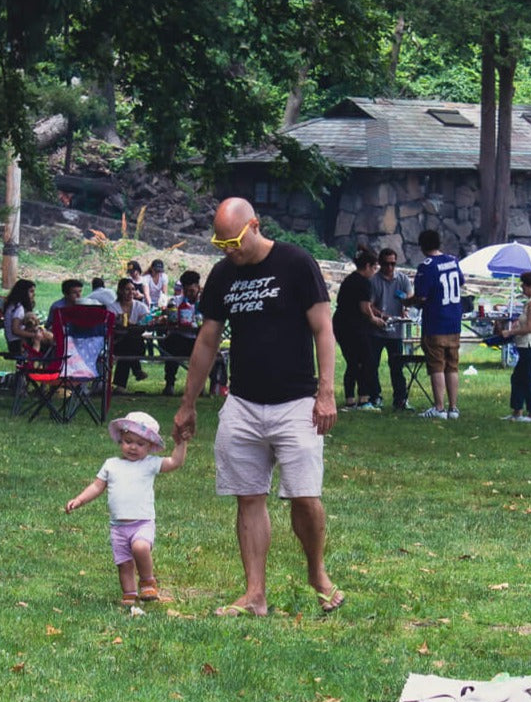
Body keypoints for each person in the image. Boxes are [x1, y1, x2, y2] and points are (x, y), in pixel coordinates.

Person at [173, 197, 344, 617]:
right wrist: (187, 404)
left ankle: (317, 573)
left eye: (233, 241)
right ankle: (254, 595)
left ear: (255, 225)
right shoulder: (223, 275)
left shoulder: (296, 263)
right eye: (220, 243)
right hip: (243, 402)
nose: (229, 250)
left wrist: (326, 391)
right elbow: (207, 341)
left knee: (305, 495)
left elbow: (323, 328)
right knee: (248, 497)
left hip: (297, 401)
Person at [65, 409, 189, 607]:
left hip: (142, 523)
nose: (133, 447)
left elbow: (175, 462)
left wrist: (181, 442)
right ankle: (129, 595)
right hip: (118, 527)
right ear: (121, 440)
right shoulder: (111, 465)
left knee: (140, 547)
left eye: (140, 444)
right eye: (128, 441)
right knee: (124, 564)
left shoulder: (149, 464)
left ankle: (148, 581)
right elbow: (97, 486)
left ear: (150, 447)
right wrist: (79, 500)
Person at [411, 229, 464, 421]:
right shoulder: (453, 260)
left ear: (422, 246)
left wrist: (407, 302)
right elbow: (461, 282)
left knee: (437, 365)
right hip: (454, 321)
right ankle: (453, 408)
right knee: (452, 365)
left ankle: (439, 408)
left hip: (436, 322)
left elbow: (421, 296)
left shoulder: (426, 266)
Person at [333, 249, 387, 411]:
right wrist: (375, 319)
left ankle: (350, 400)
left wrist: (377, 313)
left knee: (352, 362)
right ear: (368, 266)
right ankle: (364, 399)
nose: (375, 271)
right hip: (354, 327)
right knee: (367, 361)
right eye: (374, 267)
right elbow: (364, 308)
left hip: (341, 325)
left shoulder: (349, 280)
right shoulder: (364, 282)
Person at [497, 270, 531, 423]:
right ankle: (517, 411)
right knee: (518, 378)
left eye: (524, 285)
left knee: (528, 378)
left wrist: (511, 332)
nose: (522, 288)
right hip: (528, 345)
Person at [158, 269, 216, 396]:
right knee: (171, 345)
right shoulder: (175, 302)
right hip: (181, 339)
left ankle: (208, 387)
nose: (189, 294)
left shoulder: (207, 302)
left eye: (192, 291)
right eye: (186, 291)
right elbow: (169, 321)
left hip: (200, 339)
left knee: (212, 352)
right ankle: (169, 384)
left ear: (198, 288)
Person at [370, 247, 412, 411]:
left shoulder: (402, 279)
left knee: (397, 366)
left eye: (393, 264)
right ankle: (375, 396)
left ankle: (400, 399)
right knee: (373, 365)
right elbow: (369, 305)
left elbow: (409, 298)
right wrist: (382, 315)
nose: (390, 268)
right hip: (377, 330)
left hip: (396, 331)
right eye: (386, 264)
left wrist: (406, 308)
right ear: (380, 263)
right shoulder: (374, 281)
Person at [109, 276, 151, 391]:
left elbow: (147, 320)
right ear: (120, 291)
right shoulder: (112, 307)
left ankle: (121, 385)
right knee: (126, 346)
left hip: (136, 344)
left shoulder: (140, 306)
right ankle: (136, 370)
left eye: (133, 289)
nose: (131, 292)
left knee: (129, 345)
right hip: (117, 343)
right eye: (127, 289)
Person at [3, 279, 51, 358]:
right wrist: (34, 335)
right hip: (18, 344)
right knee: (51, 345)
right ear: (23, 292)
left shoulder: (13, 306)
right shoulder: (19, 308)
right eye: (31, 291)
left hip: (15, 342)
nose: (34, 294)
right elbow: (15, 330)